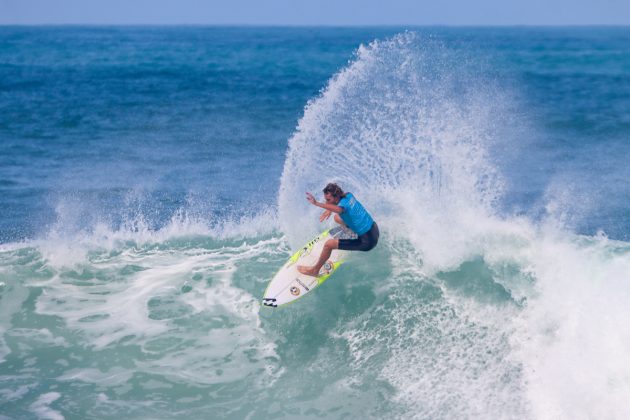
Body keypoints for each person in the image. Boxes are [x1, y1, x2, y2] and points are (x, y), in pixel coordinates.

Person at [297, 183, 379, 277]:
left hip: (367, 242)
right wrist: (329, 209)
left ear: (336, 197)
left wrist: (316, 203)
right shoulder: (349, 195)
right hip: (374, 230)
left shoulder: (341, 208)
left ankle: (315, 271)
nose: (327, 202)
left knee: (329, 244)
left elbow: (340, 209)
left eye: (328, 200)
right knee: (337, 218)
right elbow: (339, 207)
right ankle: (352, 232)